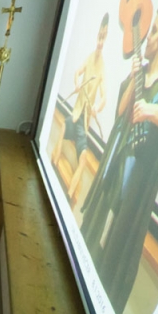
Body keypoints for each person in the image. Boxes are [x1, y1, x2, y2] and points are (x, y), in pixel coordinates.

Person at [79, 0, 158, 314]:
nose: (147, 38)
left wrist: (151, 110)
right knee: (90, 237)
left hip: (127, 198)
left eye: (153, 31)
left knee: (108, 253)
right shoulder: (137, 76)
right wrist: (133, 78)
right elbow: (121, 111)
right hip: (110, 179)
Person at [53, 14, 108, 198]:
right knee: (63, 127)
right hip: (76, 115)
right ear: (97, 36)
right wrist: (77, 83)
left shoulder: (102, 68)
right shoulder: (90, 57)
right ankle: (54, 163)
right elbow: (78, 72)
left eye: (103, 38)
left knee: (83, 159)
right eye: (99, 37)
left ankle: (68, 196)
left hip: (83, 124)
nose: (100, 42)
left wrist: (97, 108)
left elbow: (104, 97)